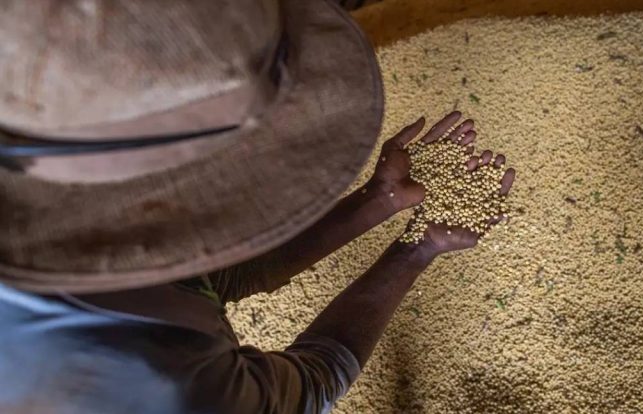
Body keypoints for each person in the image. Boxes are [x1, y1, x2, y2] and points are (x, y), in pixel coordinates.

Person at [0, 1, 515, 413]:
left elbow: (201, 277)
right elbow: (315, 378)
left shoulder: (38, 96)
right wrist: (415, 250)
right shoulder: (166, 383)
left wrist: (375, 202)